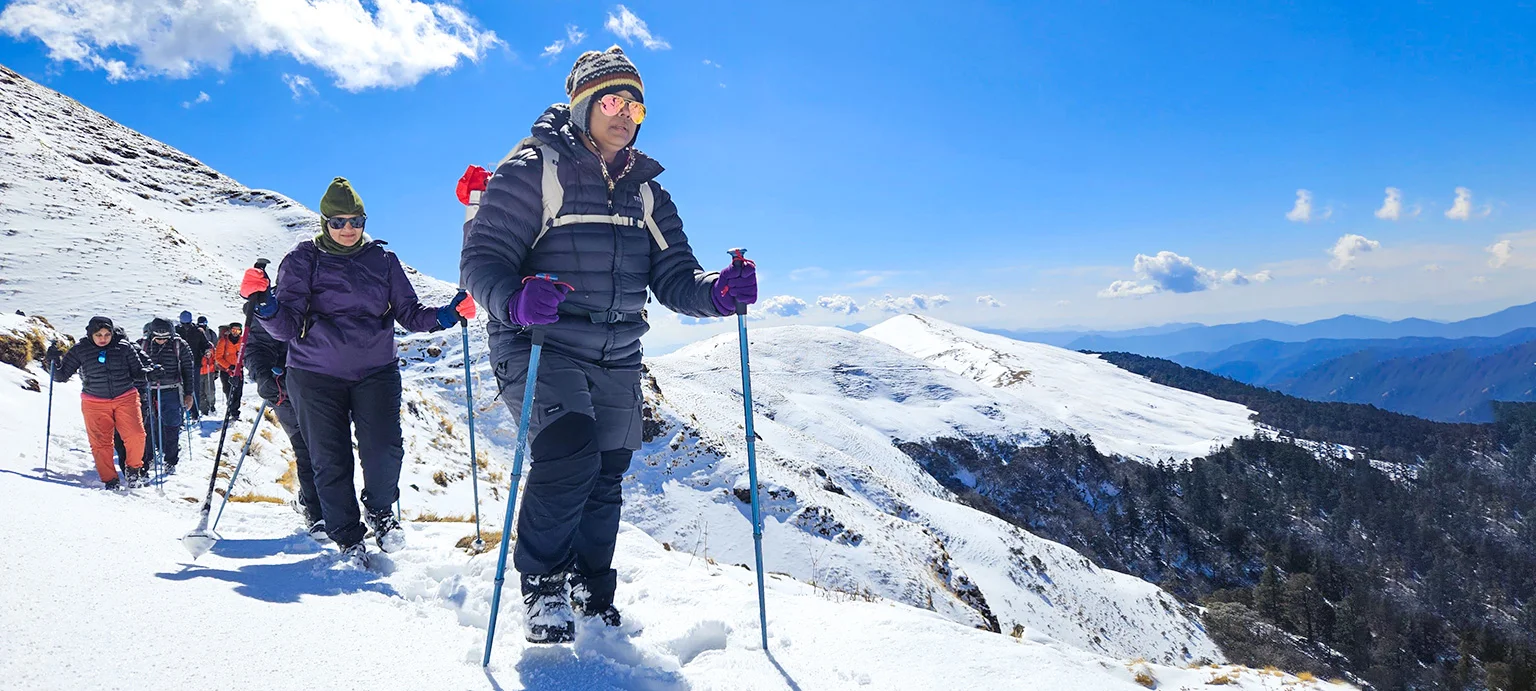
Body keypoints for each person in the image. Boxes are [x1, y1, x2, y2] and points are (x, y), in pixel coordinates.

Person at [459, 46, 757, 643]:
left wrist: (718, 292)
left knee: (606, 475)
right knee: (568, 456)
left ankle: (591, 586)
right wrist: (516, 298)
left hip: (618, 350)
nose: (626, 113)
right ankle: (543, 588)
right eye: (614, 100)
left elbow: (674, 276)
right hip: (536, 340)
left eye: (637, 105)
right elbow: (481, 262)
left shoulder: (648, 194)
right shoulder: (532, 169)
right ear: (583, 104)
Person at [241, 176, 474, 563]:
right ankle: (348, 536)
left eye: (356, 220)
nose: (348, 229)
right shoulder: (303, 259)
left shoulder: (382, 261)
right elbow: (285, 327)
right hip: (315, 374)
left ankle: (381, 513)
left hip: (375, 370)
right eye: (339, 222)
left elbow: (410, 314)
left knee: (385, 450)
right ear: (324, 221)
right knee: (329, 458)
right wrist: (264, 304)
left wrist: (446, 315)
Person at [241, 299, 325, 541]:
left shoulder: (330, 291)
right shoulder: (273, 303)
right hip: (285, 388)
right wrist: (264, 376)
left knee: (329, 449)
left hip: (328, 388)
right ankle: (316, 512)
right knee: (307, 448)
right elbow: (256, 347)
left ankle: (326, 507)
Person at [47, 316, 152, 489]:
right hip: (94, 401)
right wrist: (53, 360)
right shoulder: (80, 349)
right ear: (90, 334)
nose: (103, 338)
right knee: (100, 442)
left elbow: (138, 372)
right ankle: (110, 479)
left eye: (107, 334)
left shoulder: (124, 347)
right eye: (98, 335)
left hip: (125, 397)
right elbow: (61, 376)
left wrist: (150, 374)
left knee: (136, 435)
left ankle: (134, 469)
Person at [138, 317, 198, 473]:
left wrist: (189, 394)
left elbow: (188, 371)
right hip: (148, 391)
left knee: (172, 425)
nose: (161, 341)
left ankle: (170, 459)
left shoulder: (180, 346)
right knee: (147, 425)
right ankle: (148, 458)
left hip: (171, 390)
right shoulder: (142, 345)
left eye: (165, 338)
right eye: (157, 338)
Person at [175, 311, 212, 419]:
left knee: (194, 388)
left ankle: (194, 413)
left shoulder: (198, 331)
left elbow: (205, 344)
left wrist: (207, 351)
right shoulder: (176, 331)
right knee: (179, 388)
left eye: (187, 324)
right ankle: (181, 413)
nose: (185, 326)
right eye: (183, 324)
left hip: (194, 364)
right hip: (179, 364)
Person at [213, 322, 244, 420]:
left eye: (238, 330)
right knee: (228, 391)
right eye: (233, 330)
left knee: (238, 392)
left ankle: (235, 412)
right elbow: (218, 357)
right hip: (226, 371)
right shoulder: (223, 341)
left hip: (239, 371)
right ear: (230, 330)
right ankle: (231, 409)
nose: (235, 332)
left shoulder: (243, 341)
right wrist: (229, 366)